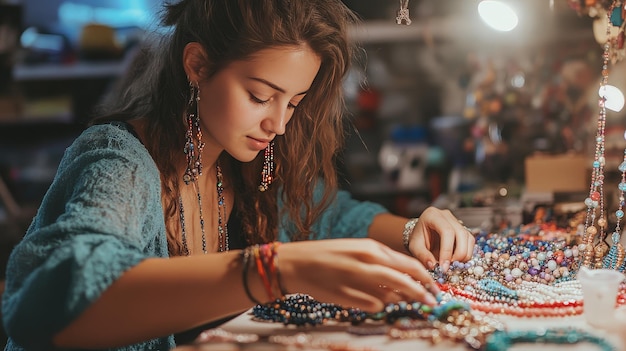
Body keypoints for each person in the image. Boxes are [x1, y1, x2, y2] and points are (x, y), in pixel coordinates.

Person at [1, 0, 475, 350]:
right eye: (259, 95)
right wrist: (275, 268)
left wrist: (417, 228)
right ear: (198, 65)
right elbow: (55, 300)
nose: (279, 124)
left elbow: (334, 218)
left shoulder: (241, 168)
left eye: (293, 102)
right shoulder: (120, 164)